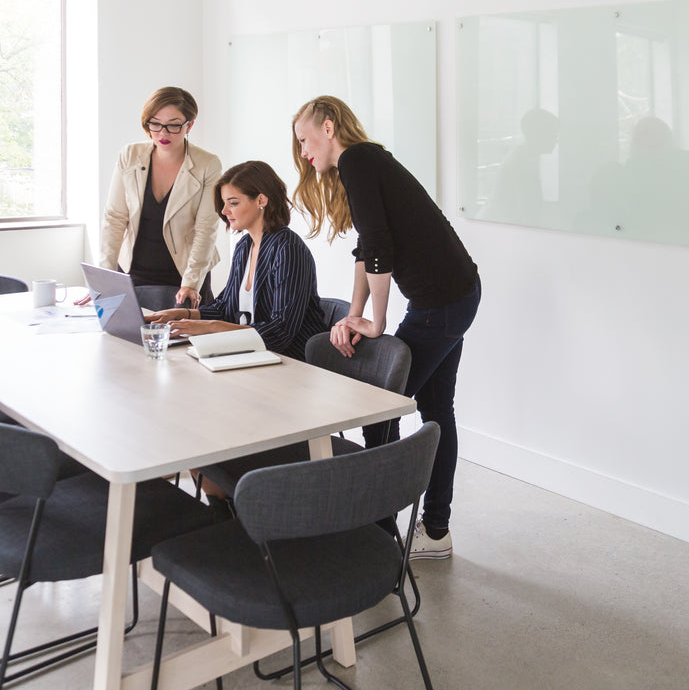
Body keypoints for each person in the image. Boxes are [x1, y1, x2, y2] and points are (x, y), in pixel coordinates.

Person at [292, 95, 480, 561]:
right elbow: (367, 248)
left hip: (443, 301)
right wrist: (356, 313)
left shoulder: (356, 160)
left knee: (381, 411)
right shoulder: (365, 162)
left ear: (328, 128)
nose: (302, 152)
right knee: (436, 409)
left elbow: (379, 248)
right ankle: (435, 531)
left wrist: (376, 322)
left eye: (304, 139)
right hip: (452, 295)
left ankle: (377, 534)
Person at [146, 160, 326, 361]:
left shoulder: (288, 248)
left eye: (233, 203)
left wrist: (210, 327)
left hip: (290, 362)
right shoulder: (244, 246)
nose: (224, 211)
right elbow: (225, 308)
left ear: (261, 201)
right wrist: (182, 315)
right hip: (252, 356)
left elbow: (280, 331)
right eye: (224, 203)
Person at [93, 87, 222, 309]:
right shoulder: (129, 156)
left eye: (173, 125)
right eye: (155, 124)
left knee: (181, 341)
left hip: (184, 274)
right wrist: (105, 277)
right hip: (134, 271)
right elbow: (114, 218)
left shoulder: (207, 164)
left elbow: (205, 229)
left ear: (189, 125)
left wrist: (191, 283)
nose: (163, 133)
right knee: (126, 338)